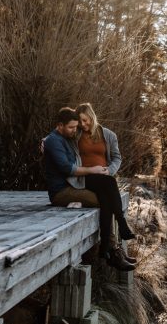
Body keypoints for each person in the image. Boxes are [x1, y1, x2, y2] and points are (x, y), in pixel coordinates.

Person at [42, 107, 135, 271]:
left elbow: (113, 155)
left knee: (109, 189)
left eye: (75, 127)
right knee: (106, 200)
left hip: (74, 185)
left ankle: (109, 247)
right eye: (71, 127)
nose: (74, 130)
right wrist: (94, 170)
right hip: (61, 192)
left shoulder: (66, 137)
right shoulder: (55, 140)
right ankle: (111, 248)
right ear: (60, 125)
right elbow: (66, 168)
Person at [75, 102, 136, 242]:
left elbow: (117, 158)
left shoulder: (108, 135)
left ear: (92, 117)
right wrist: (46, 139)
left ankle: (105, 245)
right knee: (110, 182)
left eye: (85, 120)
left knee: (105, 200)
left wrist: (109, 170)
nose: (82, 124)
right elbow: (60, 133)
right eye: (79, 121)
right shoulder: (76, 135)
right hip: (85, 177)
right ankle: (122, 223)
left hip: (104, 178)